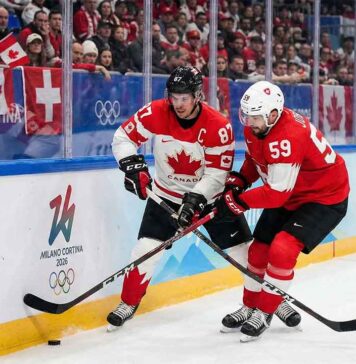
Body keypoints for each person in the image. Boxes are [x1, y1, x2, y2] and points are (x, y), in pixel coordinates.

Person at [108, 67, 299, 332]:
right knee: (143, 252)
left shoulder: (218, 126)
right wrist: (132, 167)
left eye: (184, 98)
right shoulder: (155, 112)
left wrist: (195, 199)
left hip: (210, 201)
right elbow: (123, 138)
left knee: (246, 255)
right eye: (174, 97)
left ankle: (272, 300)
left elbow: (217, 175)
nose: (178, 104)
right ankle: (128, 303)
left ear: (198, 95)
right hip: (165, 195)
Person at [216, 80, 349, 342]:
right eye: (246, 115)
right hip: (291, 193)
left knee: (283, 248)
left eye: (254, 116)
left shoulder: (288, 135)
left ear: (273, 114)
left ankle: (265, 311)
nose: (248, 121)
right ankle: (250, 305)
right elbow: (256, 158)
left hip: (324, 197)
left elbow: (276, 194)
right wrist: (240, 181)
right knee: (258, 250)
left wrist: (238, 202)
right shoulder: (259, 125)